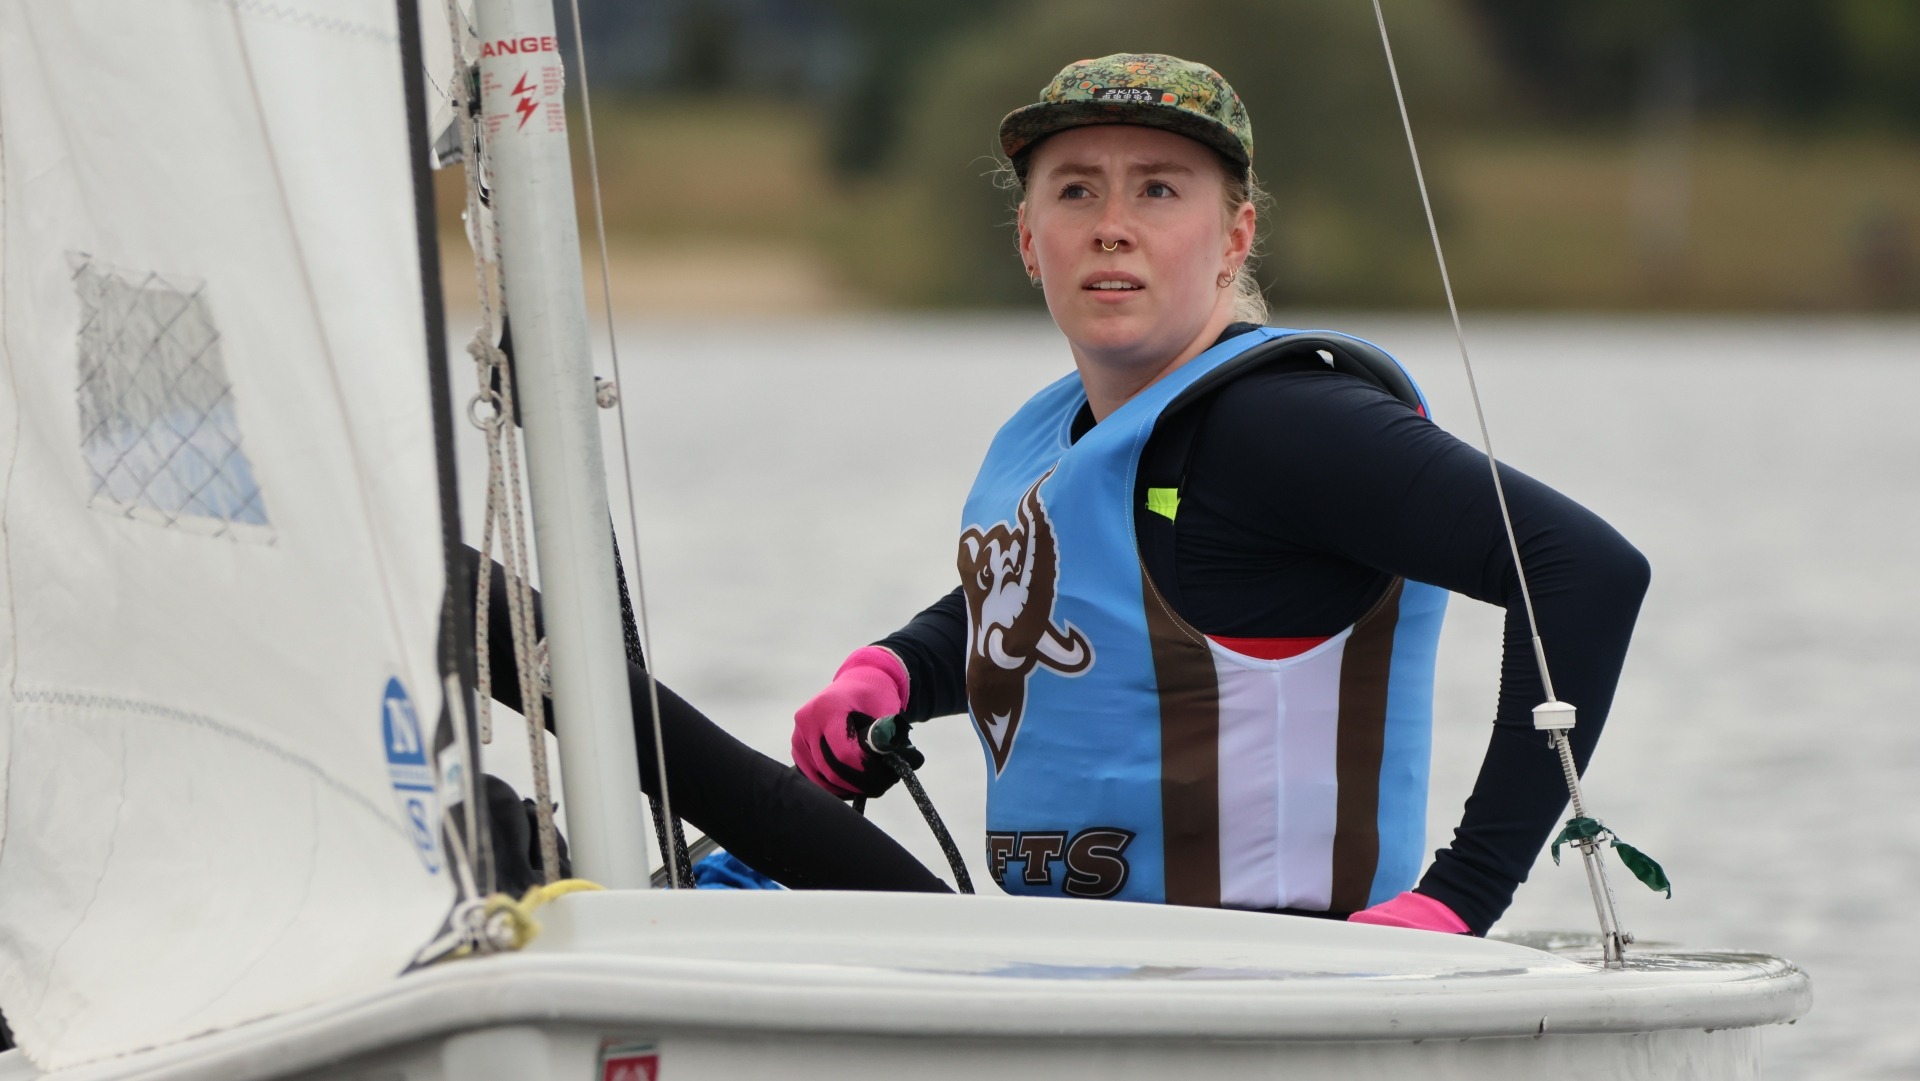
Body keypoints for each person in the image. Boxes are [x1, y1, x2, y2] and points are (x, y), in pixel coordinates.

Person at [790, 54, 1649, 936]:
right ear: (1026, 238)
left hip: (1277, 981)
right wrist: (895, 668)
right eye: (1076, 192)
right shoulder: (1072, 432)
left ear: (1235, 238)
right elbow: (1076, 594)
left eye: (1158, 191)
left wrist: (1464, 894)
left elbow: (1585, 569)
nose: (1111, 227)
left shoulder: (1285, 422)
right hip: (1068, 970)